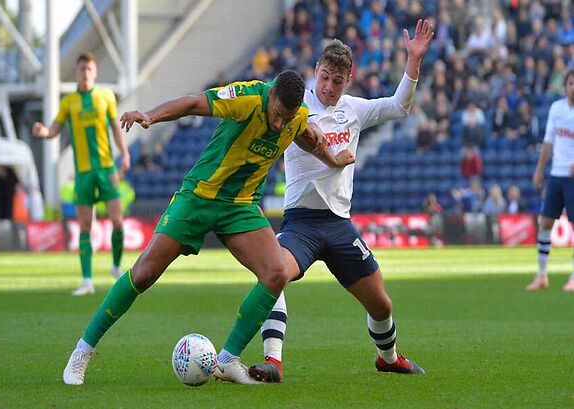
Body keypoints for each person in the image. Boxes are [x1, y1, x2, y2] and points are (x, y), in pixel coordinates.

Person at [61, 70, 353, 386]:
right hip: (199, 197)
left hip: (240, 206)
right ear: (271, 95)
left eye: (288, 117)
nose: (280, 123)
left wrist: (333, 160)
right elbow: (192, 103)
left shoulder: (296, 117)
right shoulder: (246, 98)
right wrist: (150, 116)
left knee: (277, 273)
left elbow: (308, 139)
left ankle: (227, 360)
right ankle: (82, 351)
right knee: (143, 273)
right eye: (278, 114)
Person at [249, 19, 435, 384]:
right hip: (301, 223)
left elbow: (399, 106)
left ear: (348, 79)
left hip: (338, 226)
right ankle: (273, 361)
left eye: (337, 80)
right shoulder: (295, 106)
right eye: (324, 77)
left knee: (381, 303)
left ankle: (388, 358)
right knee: (274, 274)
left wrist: (413, 60)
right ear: (315, 71)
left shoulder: (353, 109)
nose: (329, 87)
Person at [32, 52, 131, 296]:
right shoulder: (69, 102)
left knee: (118, 222)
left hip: (106, 168)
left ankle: (116, 266)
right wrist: (44, 132)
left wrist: (125, 153)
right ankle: (87, 280)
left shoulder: (106, 96)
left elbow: (115, 129)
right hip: (83, 172)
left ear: (95, 72)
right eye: (81, 69)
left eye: (89, 69)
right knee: (85, 225)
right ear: (76, 73)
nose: (85, 73)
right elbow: (55, 129)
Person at [526, 69, 574, 292]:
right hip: (556, 174)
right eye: (571, 83)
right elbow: (548, 142)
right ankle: (542, 275)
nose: (573, 87)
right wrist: (539, 170)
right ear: (565, 86)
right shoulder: (556, 108)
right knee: (545, 223)